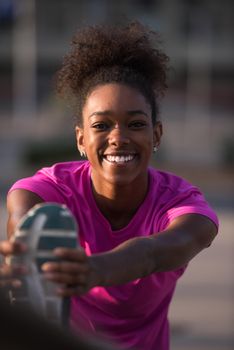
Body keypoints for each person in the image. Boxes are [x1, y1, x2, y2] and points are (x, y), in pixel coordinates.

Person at [1, 21, 218, 350]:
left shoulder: (182, 205)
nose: (118, 137)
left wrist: (94, 270)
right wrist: (23, 257)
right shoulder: (51, 190)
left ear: (155, 135)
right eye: (101, 125)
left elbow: (156, 252)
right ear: (81, 139)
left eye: (136, 124)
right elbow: (24, 209)